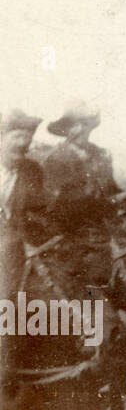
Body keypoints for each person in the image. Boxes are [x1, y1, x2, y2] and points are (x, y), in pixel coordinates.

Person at [40, 99, 119, 234]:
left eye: (84, 124)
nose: (80, 130)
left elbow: (112, 191)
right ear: (64, 130)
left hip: (102, 228)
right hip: (71, 231)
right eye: (73, 126)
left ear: (91, 126)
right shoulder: (57, 158)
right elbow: (54, 204)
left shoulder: (101, 155)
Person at [0, 110, 46, 288]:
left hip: (16, 250)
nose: (23, 143)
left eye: (27, 138)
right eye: (17, 136)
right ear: (1, 137)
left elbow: (38, 212)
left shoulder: (32, 170)